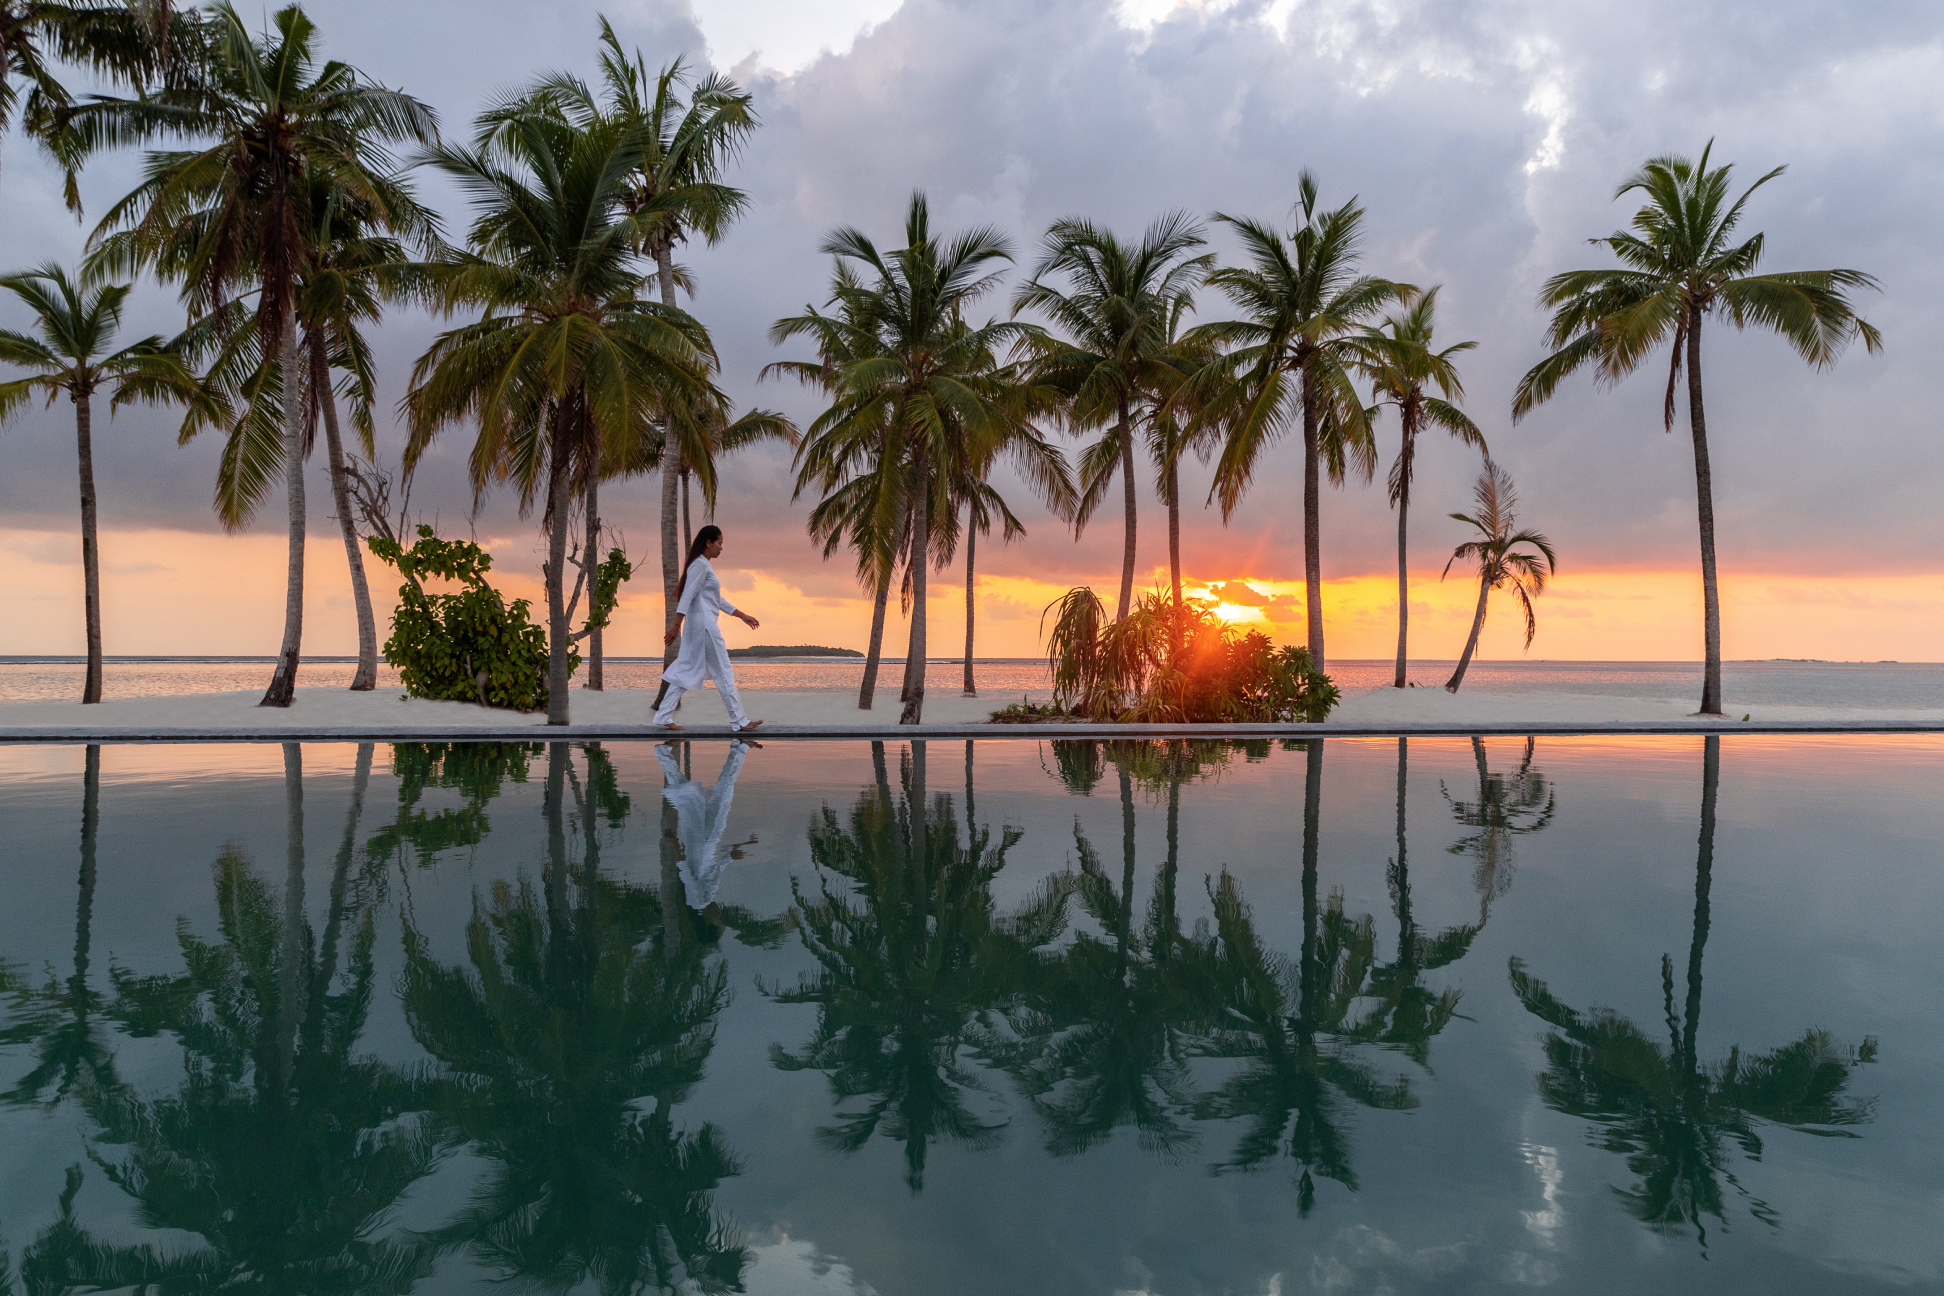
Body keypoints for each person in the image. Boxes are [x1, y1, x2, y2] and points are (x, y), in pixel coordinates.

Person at [655, 525, 764, 731]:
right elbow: (687, 596)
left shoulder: (702, 565)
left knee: (686, 668)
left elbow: (716, 599)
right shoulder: (701, 566)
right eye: (720, 543)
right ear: (708, 543)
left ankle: (663, 716)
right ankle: (739, 721)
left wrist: (742, 615)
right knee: (723, 671)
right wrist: (676, 625)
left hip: (698, 627)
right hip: (704, 628)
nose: (721, 548)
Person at [656, 739, 752, 912]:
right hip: (710, 840)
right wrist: (732, 854)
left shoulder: (697, 902)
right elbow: (714, 869)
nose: (719, 921)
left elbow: (687, 875)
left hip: (697, 840)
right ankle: (739, 747)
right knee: (723, 794)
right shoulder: (708, 898)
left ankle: (662, 752)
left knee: (686, 794)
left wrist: (674, 844)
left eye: (718, 927)